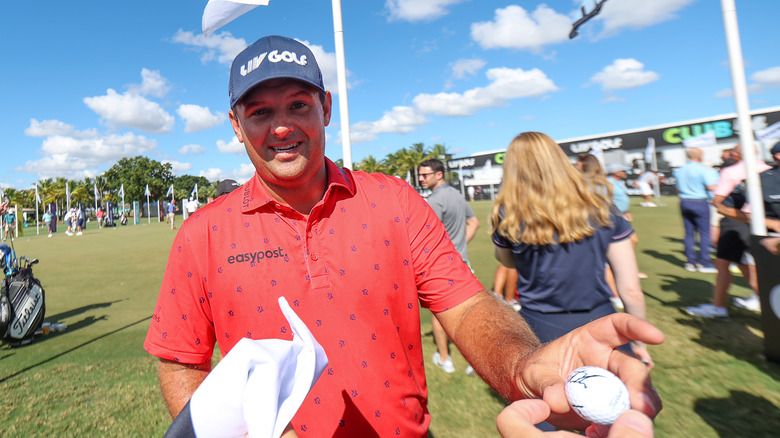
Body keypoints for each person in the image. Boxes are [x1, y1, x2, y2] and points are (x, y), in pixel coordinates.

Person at [144, 35, 663, 437]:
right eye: (260, 112)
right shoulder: (201, 232)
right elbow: (181, 361)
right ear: (236, 125)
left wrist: (522, 365)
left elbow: (465, 306)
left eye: (298, 104)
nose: (281, 126)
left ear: (325, 107)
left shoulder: (393, 200)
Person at [491, 132, 652, 369]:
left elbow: (507, 261)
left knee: (550, 402)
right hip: (601, 324)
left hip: (539, 328)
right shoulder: (602, 207)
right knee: (618, 400)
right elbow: (631, 291)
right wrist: (639, 343)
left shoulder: (509, 215)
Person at [685, 144, 772, 318]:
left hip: (737, 221)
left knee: (723, 263)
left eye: (733, 150)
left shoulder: (731, 171)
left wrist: (731, 213)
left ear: (736, 154)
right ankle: (763, 299)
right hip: (767, 222)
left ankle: (718, 307)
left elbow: (718, 201)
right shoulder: (769, 169)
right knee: (748, 264)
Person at [418, 158, 480, 374]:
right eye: (420, 174)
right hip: (462, 262)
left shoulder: (435, 200)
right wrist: (458, 247)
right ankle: (475, 361)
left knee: (440, 314)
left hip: (442, 268)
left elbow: (425, 237)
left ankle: (445, 359)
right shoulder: (456, 194)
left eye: (425, 175)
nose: (421, 178)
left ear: (439, 175)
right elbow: (474, 222)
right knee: (466, 314)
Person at [578, 154, 624, 310]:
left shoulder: (584, 183)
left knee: (603, 264)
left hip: (593, 224)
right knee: (608, 263)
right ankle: (616, 295)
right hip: (608, 223)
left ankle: (615, 295)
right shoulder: (604, 182)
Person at [674, 147, 719, 273]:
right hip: (700, 201)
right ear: (700, 155)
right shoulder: (704, 169)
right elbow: (711, 187)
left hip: (684, 201)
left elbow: (677, 188)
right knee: (704, 234)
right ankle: (704, 263)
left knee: (689, 233)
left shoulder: (680, 170)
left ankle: (690, 262)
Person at [606, 163, 647, 279]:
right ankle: (621, 269)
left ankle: (627, 268)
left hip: (621, 216)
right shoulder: (608, 183)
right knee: (631, 240)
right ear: (616, 172)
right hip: (614, 218)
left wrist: (626, 211)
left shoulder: (618, 183)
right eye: (624, 171)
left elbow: (620, 198)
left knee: (631, 241)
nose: (626, 173)